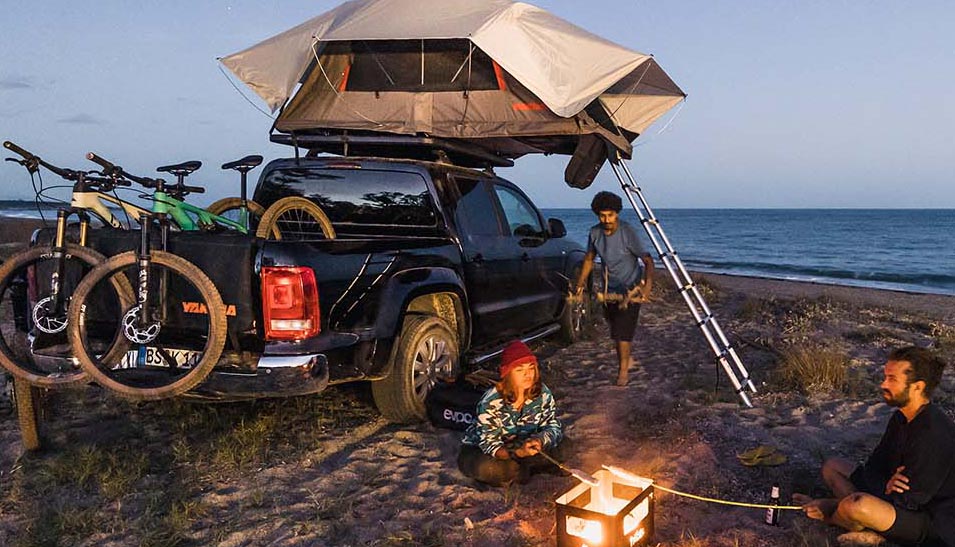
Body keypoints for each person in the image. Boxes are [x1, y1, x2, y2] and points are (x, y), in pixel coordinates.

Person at [795, 347, 955, 547]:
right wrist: (888, 483)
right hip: (895, 497)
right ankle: (861, 524)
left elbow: (910, 502)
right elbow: (874, 466)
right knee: (832, 467)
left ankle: (832, 517)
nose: (883, 384)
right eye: (885, 377)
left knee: (858, 505)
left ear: (917, 387)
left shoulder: (932, 433)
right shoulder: (902, 418)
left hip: (931, 522)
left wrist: (832, 505)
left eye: (892, 379)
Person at [573, 191, 654, 386]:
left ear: (617, 213)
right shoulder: (595, 233)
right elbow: (589, 259)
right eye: (602, 215)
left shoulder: (627, 232)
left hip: (631, 289)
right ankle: (626, 358)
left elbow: (648, 260)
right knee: (614, 327)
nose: (606, 220)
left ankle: (623, 371)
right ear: (597, 215)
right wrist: (580, 283)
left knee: (622, 332)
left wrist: (647, 287)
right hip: (609, 290)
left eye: (610, 215)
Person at [458, 340, 564, 487]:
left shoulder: (542, 393)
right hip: (485, 450)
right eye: (519, 370)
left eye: (531, 368)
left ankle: (526, 468)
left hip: (525, 443)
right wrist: (518, 453)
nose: (527, 374)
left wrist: (540, 440)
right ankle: (522, 469)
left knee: (565, 448)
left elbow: (552, 426)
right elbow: (490, 445)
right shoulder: (491, 401)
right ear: (508, 373)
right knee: (494, 468)